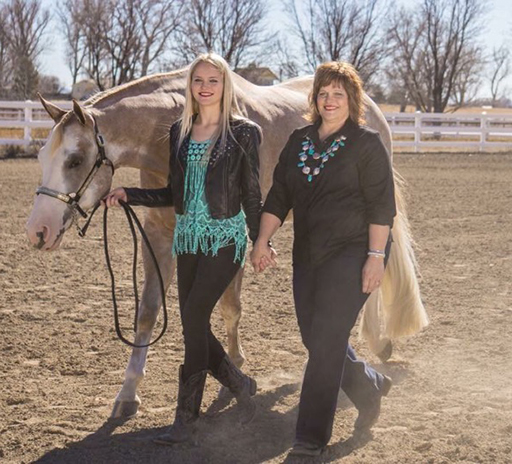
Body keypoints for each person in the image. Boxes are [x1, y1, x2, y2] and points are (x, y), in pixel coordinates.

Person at [103, 52, 262, 445]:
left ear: (225, 87)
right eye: (198, 81)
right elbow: (173, 192)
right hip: (188, 238)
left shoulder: (245, 132)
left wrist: (262, 241)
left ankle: (184, 420)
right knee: (194, 323)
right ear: (190, 87)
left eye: (213, 81)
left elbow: (253, 194)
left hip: (225, 239)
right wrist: (129, 194)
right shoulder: (180, 132)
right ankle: (240, 383)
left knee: (192, 318)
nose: (205, 88)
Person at [251, 61, 396, 457]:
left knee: (329, 337)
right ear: (314, 99)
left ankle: (309, 439)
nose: (330, 100)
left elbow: (383, 207)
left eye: (339, 94)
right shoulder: (298, 140)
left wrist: (375, 257)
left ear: (352, 99)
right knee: (316, 338)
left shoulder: (367, 144)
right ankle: (369, 386)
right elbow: (279, 195)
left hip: (355, 252)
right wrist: (262, 240)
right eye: (323, 93)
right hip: (309, 254)